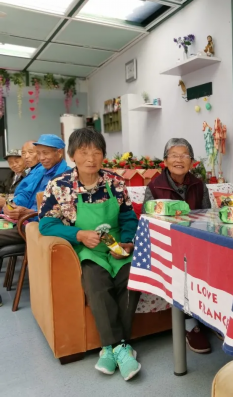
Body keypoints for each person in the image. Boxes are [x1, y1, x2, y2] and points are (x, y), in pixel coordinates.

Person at [39, 128, 141, 381]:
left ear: (103, 156)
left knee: (131, 280)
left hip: (116, 246)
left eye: (97, 152)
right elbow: (46, 224)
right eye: (84, 152)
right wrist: (80, 235)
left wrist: (127, 243)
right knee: (96, 282)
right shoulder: (59, 186)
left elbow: (129, 217)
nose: (91, 158)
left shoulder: (115, 182)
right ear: (72, 155)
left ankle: (111, 348)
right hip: (88, 249)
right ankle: (120, 347)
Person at [142, 138, 212, 354]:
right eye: (174, 155)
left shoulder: (199, 185)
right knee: (183, 268)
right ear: (165, 161)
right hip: (166, 246)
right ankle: (191, 324)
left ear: (192, 161)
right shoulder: (154, 186)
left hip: (195, 243)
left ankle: (212, 318)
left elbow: (208, 218)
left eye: (185, 155)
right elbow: (148, 222)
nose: (179, 160)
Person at [0, 135, 69, 246]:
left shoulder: (66, 176)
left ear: (59, 152)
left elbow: (60, 213)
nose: (41, 158)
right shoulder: (39, 171)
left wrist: (28, 213)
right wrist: (11, 206)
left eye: (45, 153)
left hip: (39, 226)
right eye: (39, 153)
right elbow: (25, 193)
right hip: (22, 220)